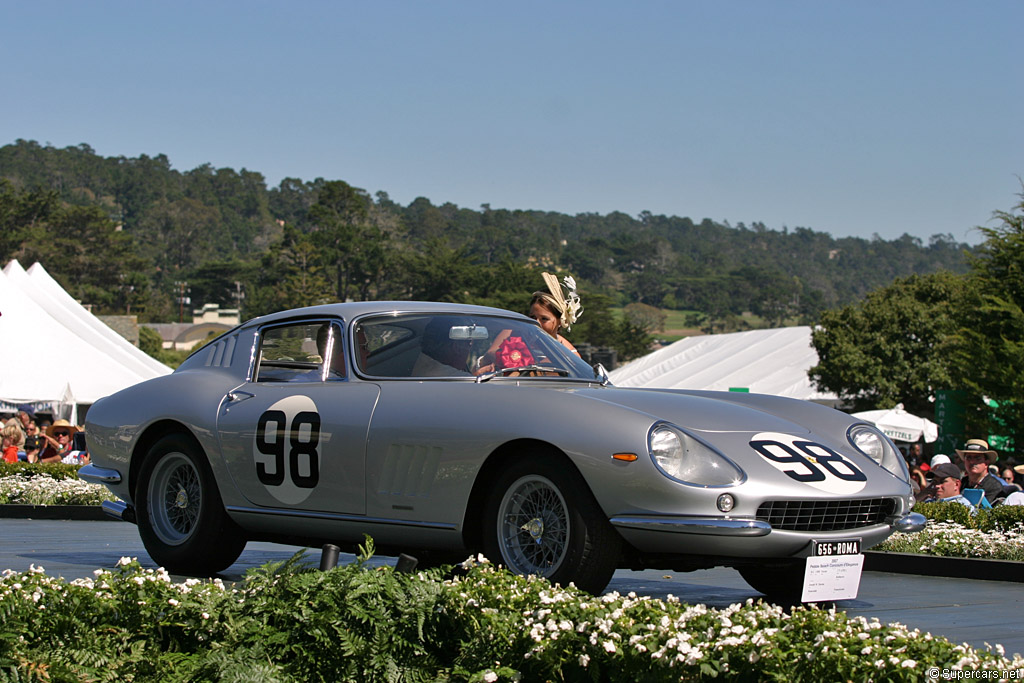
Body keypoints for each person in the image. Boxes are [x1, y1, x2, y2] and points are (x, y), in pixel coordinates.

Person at [529, 272, 583, 355]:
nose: (537, 323)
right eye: (532, 317)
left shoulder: (569, 354)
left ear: (560, 321)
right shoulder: (515, 342)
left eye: (544, 319)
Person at [955, 439, 1005, 506]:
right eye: (969, 458)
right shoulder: (962, 483)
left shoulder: (994, 486)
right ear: (964, 461)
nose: (972, 462)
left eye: (977, 458)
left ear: (986, 462)